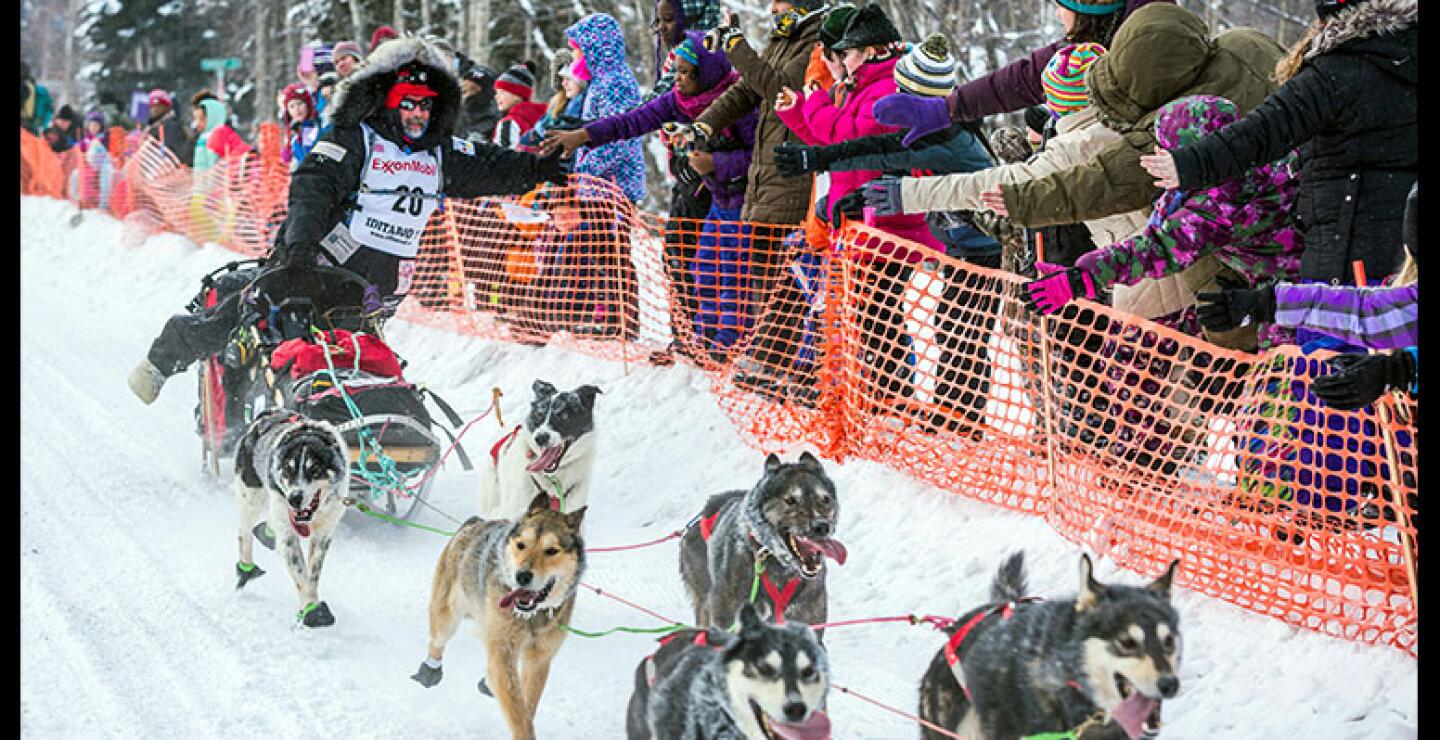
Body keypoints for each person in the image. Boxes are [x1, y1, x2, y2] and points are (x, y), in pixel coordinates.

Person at [127, 36, 570, 407]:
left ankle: (352, 428)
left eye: (426, 105)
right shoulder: (356, 138)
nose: (417, 114)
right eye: (407, 104)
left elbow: (493, 165)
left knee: (353, 358)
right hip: (320, 263)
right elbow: (312, 188)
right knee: (251, 310)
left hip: (381, 284)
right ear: (387, 103)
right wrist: (299, 244)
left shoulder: (442, 152)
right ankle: (165, 357)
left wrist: (540, 169)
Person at [1140, 0, 1417, 289]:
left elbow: (1264, 131)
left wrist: (1190, 163)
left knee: (1334, 331)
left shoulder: (1338, 72)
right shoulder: (1402, 59)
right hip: (1407, 262)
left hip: (1348, 259)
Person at [1021, 95, 1303, 352]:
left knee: (1288, 387)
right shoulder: (1259, 156)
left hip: (1296, 298)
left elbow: (1159, 248)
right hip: (1290, 291)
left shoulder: (1224, 199)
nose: (1160, 156)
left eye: (1167, 149)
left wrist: (1084, 277)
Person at [545, 29, 757, 354]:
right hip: (718, 196)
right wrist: (583, 135)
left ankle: (729, 345)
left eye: (687, 73)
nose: (679, 79)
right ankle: (703, 340)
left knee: (731, 272)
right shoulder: (679, 100)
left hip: (744, 201)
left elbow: (760, 157)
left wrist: (716, 162)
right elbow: (630, 122)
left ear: (707, 73)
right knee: (702, 266)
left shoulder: (737, 102)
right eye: (677, 71)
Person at [870, 0, 1172, 143]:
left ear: (1087, 10)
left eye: (1062, 5)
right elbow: (1021, 79)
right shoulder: (1092, 46)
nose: (1057, 13)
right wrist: (948, 107)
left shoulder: (1138, 50)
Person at [492, 62, 548, 151]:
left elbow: (504, 158)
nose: (496, 97)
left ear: (517, 94)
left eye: (502, 92)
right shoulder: (543, 117)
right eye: (496, 93)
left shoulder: (509, 123)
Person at [142, 89, 193, 167]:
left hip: (166, 171)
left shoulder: (171, 126)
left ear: (167, 107)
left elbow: (177, 153)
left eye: (159, 105)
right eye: (152, 106)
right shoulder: (151, 128)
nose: (155, 109)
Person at [456, 58, 500, 143]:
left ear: (478, 88)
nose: (462, 85)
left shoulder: (489, 115)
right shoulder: (463, 108)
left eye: (467, 83)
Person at [280, 84, 322, 172]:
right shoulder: (293, 134)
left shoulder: (315, 126)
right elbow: (286, 160)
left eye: (300, 103)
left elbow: (309, 155)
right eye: (292, 106)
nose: (297, 109)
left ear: (307, 105)